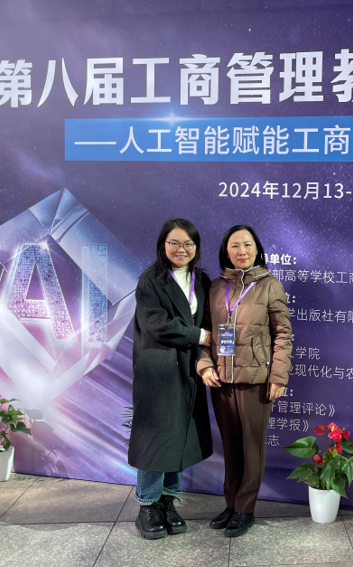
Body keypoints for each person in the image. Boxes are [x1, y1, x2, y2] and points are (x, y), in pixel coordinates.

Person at [197, 224, 292, 537]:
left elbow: (283, 334)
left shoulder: (270, 285)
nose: (242, 251)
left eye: (247, 245)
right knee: (231, 446)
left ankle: (245, 508)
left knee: (252, 447)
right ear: (226, 251)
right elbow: (206, 333)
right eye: (235, 245)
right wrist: (205, 364)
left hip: (256, 380)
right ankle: (231, 503)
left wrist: (278, 376)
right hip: (221, 380)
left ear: (257, 249)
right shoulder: (215, 287)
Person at [128, 219, 213, 540]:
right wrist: (199, 335)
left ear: (196, 247)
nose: (181, 249)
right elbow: (156, 324)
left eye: (188, 243)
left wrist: (207, 354)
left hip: (189, 369)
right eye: (174, 243)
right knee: (155, 439)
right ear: (163, 244)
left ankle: (167, 501)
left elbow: (208, 318)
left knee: (179, 436)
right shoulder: (150, 280)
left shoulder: (202, 280)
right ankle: (147, 505)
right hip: (159, 370)